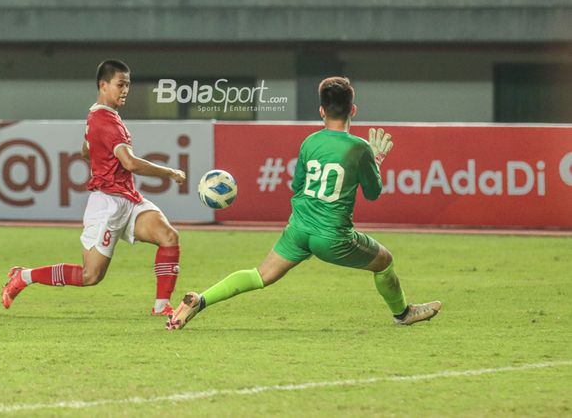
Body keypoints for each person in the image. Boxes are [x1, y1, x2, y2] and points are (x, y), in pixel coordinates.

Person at [167, 76, 441, 330]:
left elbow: (297, 186)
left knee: (260, 275)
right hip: (332, 237)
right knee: (384, 261)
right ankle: (403, 314)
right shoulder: (360, 148)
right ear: (353, 110)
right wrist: (377, 160)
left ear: (322, 111)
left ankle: (201, 300)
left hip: (298, 229)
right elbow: (372, 193)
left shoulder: (309, 142)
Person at [2, 59, 186, 316]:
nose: (125, 90)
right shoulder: (105, 121)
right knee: (90, 275)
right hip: (107, 205)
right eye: (120, 84)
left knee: (168, 237)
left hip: (128, 199)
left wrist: (101, 163)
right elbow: (130, 163)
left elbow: (85, 151)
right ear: (103, 85)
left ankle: (161, 306)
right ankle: (24, 276)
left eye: (128, 85)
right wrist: (170, 172)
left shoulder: (100, 115)